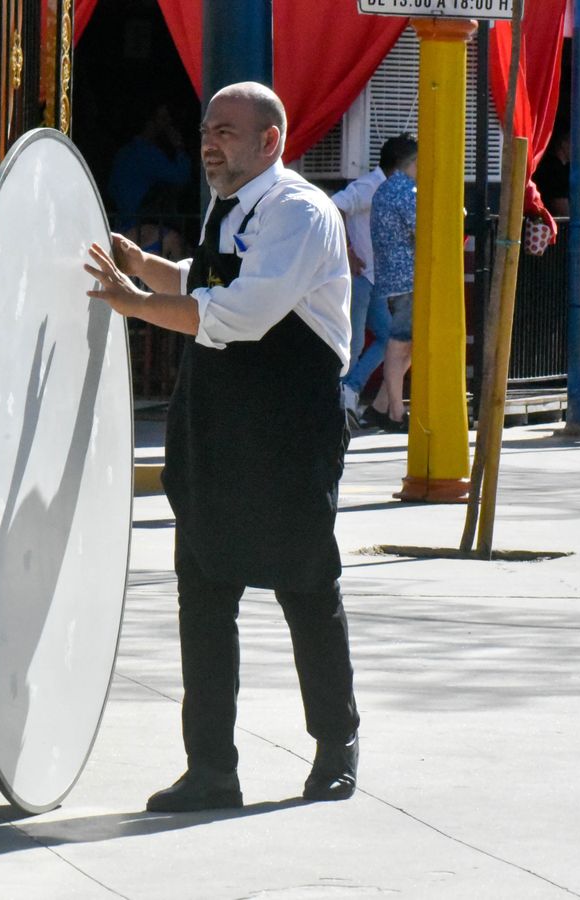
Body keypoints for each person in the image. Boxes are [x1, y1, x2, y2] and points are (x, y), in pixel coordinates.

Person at [84, 82, 360, 812]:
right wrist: (142, 265)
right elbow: (204, 279)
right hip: (213, 429)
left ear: (270, 141)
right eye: (207, 130)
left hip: (288, 434)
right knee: (204, 596)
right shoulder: (227, 206)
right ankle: (211, 770)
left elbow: (242, 311)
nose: (209, 143)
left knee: (306, 587)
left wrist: (136, 304)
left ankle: (336, 746)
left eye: (226, 132)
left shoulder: (301, 212)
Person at [332, 135, 413, 430]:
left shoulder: (392, 189)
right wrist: (348, 250)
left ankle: (351, 390)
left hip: (374, 278)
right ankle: (341, 401)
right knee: (353, 342)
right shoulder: (369, 186)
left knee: (387, 336)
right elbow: (334, 206)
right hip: (359, 277)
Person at [367, 134, 420, 432]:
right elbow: (425, 227)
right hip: (408, 278)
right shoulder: (406, 190)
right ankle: (396, 413)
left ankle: (380, 406)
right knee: (400, 344)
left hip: (391, 277)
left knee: (407, 344)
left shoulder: (384, 189)